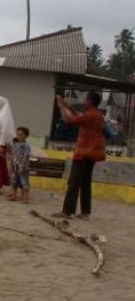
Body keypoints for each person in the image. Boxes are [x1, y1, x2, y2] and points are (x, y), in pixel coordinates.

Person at [54, 91, 106, 219]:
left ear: (89, 101)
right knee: (85, 182)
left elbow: (68, 119)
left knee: (74, 182)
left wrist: (61, 106)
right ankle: (85, 212)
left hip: (83, 152)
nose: (83, 101)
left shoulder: (89, 115)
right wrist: (68, 106)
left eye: (85, 99)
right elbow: (79, 116)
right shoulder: (97, 114)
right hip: (93, 152)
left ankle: (67, 211)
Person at [7, 127, 31, 203]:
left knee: (24, 182)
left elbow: (25, 156)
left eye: (21, 135)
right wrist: (11, 164)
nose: (19, 136)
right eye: (17, 135)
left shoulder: (26, 146)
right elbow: (13, 155)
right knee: (14, 181)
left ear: (26, 136)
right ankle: (14, 196)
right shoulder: (15, 145)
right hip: (15, 166)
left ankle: (25, 198)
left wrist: (21, 166)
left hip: (23, 167)